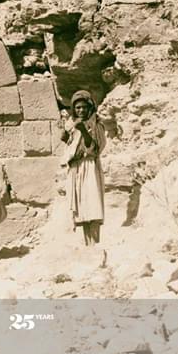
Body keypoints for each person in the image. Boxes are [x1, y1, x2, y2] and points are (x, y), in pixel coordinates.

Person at [60, 90, 106, 245]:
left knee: (93, 206)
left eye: (84, 107)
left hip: (90, 167)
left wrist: (84, 131)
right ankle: (88, 246)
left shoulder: (96, 125)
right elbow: (71, 146)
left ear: (90, 107)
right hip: (76, 168)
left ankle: (96, 245)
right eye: (78, 107)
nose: (81, 110)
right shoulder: (72, 125)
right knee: (82, 209)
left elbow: (95, 150)